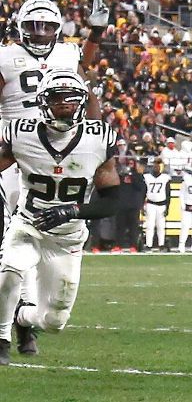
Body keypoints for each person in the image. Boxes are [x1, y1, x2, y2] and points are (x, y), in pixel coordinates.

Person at [0, 0, 109, 339]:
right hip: (18, 147)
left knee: (34, 231)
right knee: (19, 233)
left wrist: (97, 31)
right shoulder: (5, 57)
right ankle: (21, 313)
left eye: (47, 25)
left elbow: (83, 75)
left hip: (61, 145)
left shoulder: (67, 52)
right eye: (33, 25)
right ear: (20, 27)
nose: (41, 31)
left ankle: (23, 314)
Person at [0, 70, 123, 363]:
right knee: (10, 271)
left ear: (82, 104)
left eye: (71, 100)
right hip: (28, 224)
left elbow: (113, 200)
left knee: (54, 321)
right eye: (57, 99)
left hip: (68, 237)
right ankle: (1, 339)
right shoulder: (22, 133)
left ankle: (22, 318)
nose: (64, 105)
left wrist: (73, 210)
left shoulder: (98, 139)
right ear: (43, 103)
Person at [116, 158, 145, 252]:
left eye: (132, 164)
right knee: (120, 227)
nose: (130, 166)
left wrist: (133, 176)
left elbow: (140, 187)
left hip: (133, 205)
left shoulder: (139, 176)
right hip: (122, 205)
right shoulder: (120, 176)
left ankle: (133, 246)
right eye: (128, 164)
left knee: (133, 227)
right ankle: (118, 245)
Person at [142, 159, 171, 252]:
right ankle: (148, 245)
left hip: (161, 204)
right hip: (150, 203)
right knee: (149, 225)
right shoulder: (147, 177)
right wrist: (142, 205)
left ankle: (161, 244)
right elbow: (143, 192)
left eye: (158, 166)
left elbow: (168, 193)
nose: (156, 168)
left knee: (161, 226)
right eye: (155, 166)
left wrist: (168, 206)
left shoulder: (165, 178)